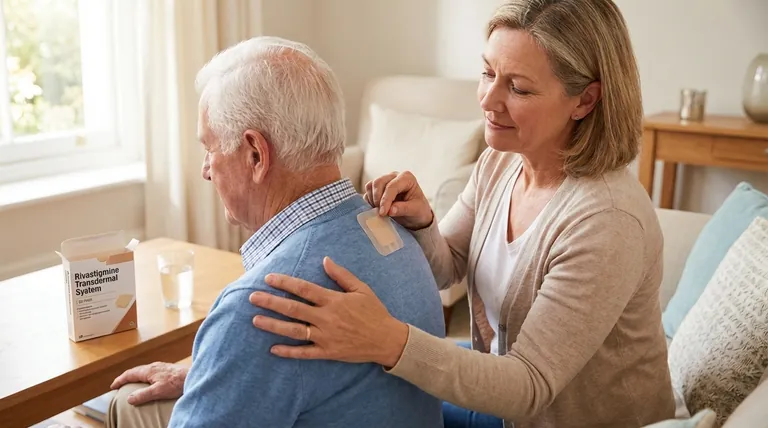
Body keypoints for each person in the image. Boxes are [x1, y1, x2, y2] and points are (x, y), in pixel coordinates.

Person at [247, 1, 676, 428]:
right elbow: (448, 265)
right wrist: (423, 223)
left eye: (519, 88)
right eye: (489, 73)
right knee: (348, 386)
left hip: (547, 412)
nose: (488, 99)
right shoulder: (501, 164)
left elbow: (528, 385)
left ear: (585, 100)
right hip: (505, 399)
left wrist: (387, 340)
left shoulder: (606, 222)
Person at [106, 36, 446, 428]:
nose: (205, 169)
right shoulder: (400, 236)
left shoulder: (259, 308)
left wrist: (230, 358)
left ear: (255, 155)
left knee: (123, 404)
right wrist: (215, 376)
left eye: (210, 148)